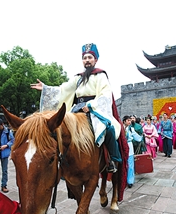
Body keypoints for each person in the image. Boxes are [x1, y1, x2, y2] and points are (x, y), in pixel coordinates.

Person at [30, 43, 124, 173]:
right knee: (60, 129)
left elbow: (105, 95)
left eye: (90, 57)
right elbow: (64, 89)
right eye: (85, 58)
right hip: (76, 110)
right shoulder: (78, 78)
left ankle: (112, 159)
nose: (87, 60)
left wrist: (91, 105)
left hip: (94, 110)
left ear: (95, 60)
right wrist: (46, 88)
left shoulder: (100, 75)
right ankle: (61, 162)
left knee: (108, 129)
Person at [122, 115, 142, 188]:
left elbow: (137, 137)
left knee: (130, 165)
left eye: (130, 120)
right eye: (128, 120)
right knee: (123, 165)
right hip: (122, 147)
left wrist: (141, 137)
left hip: (129, 146)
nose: (129, 122)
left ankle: (130, 181)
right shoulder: (121, 128)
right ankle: (122, 180)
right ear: (124, 121)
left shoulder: (131, 129)